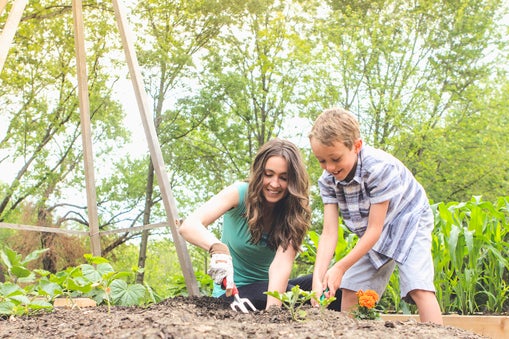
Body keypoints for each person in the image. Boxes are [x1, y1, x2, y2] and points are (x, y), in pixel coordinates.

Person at [308, 108, 443, 324]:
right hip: (373, 231)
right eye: (321, 161)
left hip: (409, 219)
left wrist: (340, 266)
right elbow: (329, 233)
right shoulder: (327, 181)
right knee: (351, 289)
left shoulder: (378, 168)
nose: (329, 167)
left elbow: (375, 230)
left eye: (335, 158)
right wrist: (318, 278)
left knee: (418, 286)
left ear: (357, 146)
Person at [178, 138, 341, 310]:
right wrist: (217, 247)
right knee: (291, 297)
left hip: (270, 288)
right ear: (259, 173)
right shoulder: (239, 193)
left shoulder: (295, 212)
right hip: (234, 294)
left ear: (293, 181)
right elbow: (189, 225)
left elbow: (281, 266)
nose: (274, 184)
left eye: (283, 178)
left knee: (331, 285)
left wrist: (273, 311)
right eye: (268, 174)